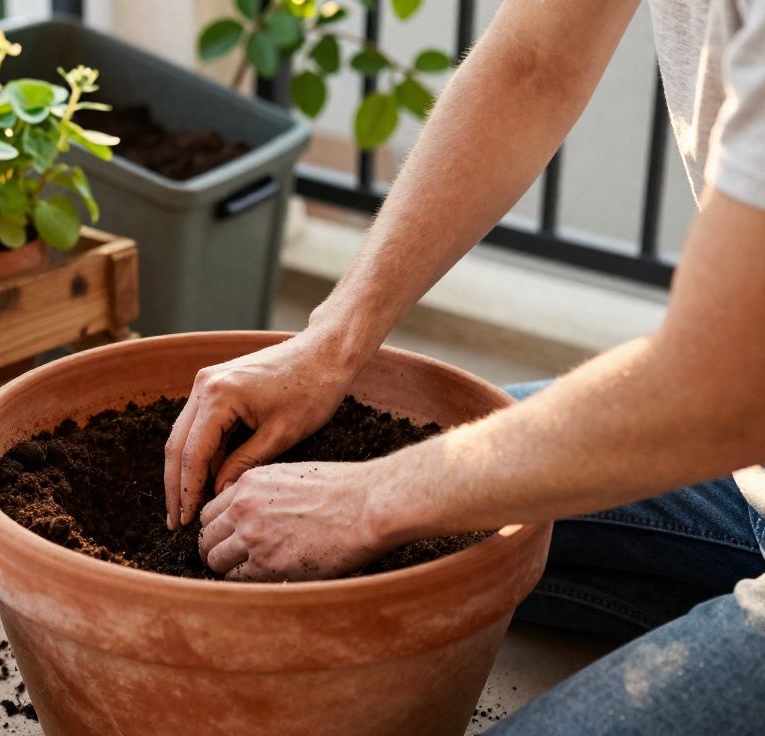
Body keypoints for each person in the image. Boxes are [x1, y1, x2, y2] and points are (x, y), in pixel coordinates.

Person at [162, 0, 765, 731]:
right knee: (436, 497)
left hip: (734, 407)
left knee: (403, 502)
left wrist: (367, 502)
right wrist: (332, 341)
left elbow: (725, 390)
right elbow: (532, 65)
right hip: (746, 474)